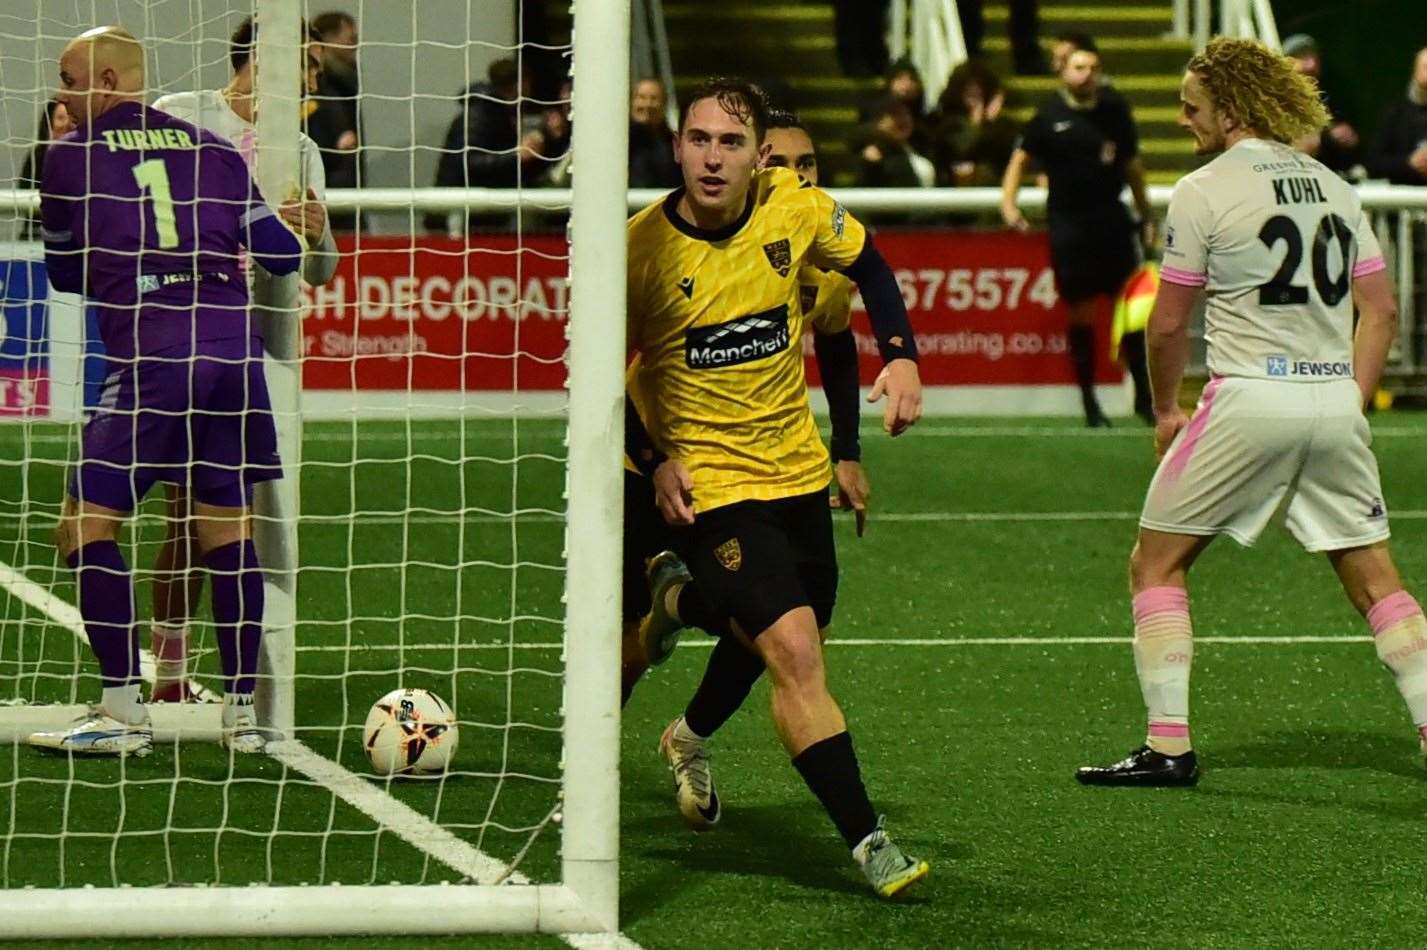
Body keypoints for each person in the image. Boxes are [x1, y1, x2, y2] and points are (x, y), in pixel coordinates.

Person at [1077, 38, 1424, 787]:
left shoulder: (1203, 190)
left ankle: (1167, 745)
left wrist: (1165, 409)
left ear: (1230, 111)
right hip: (1331, 397)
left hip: (1246, 398)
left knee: (1155, 563)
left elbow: (1167, 324)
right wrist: (1346, 401)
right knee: (1375, 580)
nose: (1180, 119)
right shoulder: (1333, 186)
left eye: (1191, 106)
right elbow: (1382, 311)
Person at [623, 77, 928, 898]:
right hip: (708, 482)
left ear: (758, 156)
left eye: (729, 144)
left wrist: (900, 353)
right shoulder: (639, 249)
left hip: (794, 470)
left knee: (788, 630)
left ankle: (685, 717)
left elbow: (869, 263)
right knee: (792, 649)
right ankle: (868, 842)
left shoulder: (792, 208)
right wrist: (655, 462)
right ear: (676, 145)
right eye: (697, 140)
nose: (711, 158)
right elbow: (597, 384)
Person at [30, 26, 303, 756]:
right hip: (232, 353)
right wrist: (294, 218)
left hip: (154, 352)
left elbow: (63, 275)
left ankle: (123, 713)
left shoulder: (68, 157)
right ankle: (243, 717)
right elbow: (282, 253)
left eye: (69, 77)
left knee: (86, 524)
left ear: (111, 80)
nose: (61, 93)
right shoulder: (212, 150)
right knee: (227, 531)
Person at [148, 15, 338, 704]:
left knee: (241, 526)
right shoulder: (179, 118)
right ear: (261, 58)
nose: (314, 79)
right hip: (185, 338)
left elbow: (323, 271)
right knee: (186, 520)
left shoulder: (305, 150)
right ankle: (171, 675)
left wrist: (317, 236)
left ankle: (246, 687)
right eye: (307, 64)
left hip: (265, 357)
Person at [1000, 37, 1153, 426]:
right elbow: (1019, 160)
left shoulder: (1115, 109)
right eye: (1079, 68)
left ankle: (1144, 398)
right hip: (1070, 225)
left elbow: (1133, 164)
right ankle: (1089, 403)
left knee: (1133, 311)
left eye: (1093, 68)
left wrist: (1146, 211)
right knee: (1081, 313)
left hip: (1114, 221)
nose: (1087, 75)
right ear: (1064, 71)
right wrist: (1009, 204)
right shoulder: (1049, 115)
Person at [430, 59, 548, 231]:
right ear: (519, 84)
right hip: (463, 218)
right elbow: (468, 162)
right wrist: (516, 155)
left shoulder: (500, 113)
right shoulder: (480, 115)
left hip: (480, 215)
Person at [307, 10, 364, 231]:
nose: (355, 46)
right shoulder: (317, 90)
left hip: (347, 198)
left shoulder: (347, 85)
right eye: (350, 39)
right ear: (327, 39)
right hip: (326, 204)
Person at [1282, 34, 1361, 178]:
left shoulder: (1329, 98)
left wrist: (1343, 138)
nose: (1311, 64)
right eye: (1303, 57)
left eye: (1314, 58)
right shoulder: (1273, 103)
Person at [932, 60, 1019, 187]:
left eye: (978, 89)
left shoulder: (1004, 127)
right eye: (969, 89)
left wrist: (988, 122)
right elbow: (961, 152)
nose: (974, 93)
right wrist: (978, 123)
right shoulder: (947, 125)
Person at [1365, 45, 1427, 186]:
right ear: (1415, 71)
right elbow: (1372, 163)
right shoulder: (1396, 113)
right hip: (1402, 198)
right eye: (1425, 67)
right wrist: (1409, 163)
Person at [19, 99, 77, 238]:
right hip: (37, 236)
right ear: (49, 123)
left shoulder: (85, 157)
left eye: (71, 117)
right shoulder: (37, 157)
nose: (66, 123)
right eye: (60, 118)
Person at [628, 78, 680, 188]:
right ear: (631, 102)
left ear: (664, 104)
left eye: (654, 98)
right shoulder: (619, 141)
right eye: (641, 97)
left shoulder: (673, 143)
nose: (647, 104)